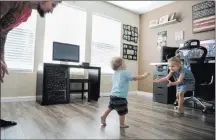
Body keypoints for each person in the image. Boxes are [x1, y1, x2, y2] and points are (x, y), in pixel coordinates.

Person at [0, 1, 61, 127]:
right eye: (53, 4)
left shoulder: (26, 13)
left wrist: (1, 57)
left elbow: (3, 32)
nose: (52, 10)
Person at [100, 57, 150, 128]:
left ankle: (103, 116)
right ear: (121, 65)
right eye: (124, 63)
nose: (126, 64)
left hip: (113, 95)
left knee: (111, 107)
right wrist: (144, 76)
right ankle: (122, 124)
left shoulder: (115, 73)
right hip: (120, 97)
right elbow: (134, 78)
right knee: (122, 111)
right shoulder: (124, 73)